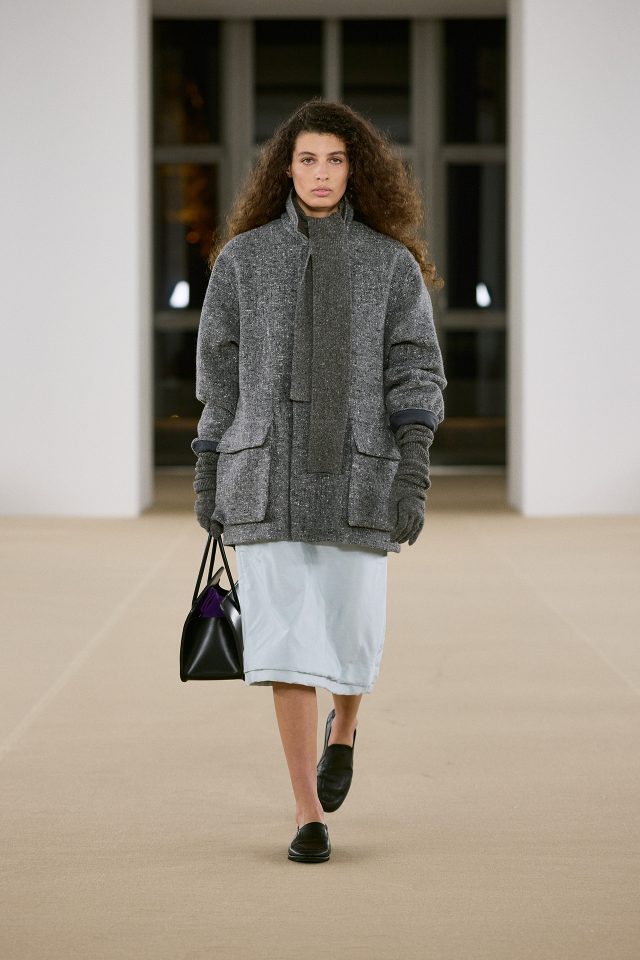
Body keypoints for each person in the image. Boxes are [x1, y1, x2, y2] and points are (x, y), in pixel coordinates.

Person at [191, 99, 446, 864]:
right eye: (307, 159)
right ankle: (308, 813)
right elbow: (219, 373)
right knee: (283, 646)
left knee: (351, 635)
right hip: (264, 475)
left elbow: (416, 368)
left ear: (355, 169)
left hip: (359, 476)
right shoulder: (243, 261)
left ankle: (347, 727)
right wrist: (209, 466)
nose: (321, 173)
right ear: (286, 169)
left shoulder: (389, 264)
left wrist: (414, 469)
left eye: (335, 159)